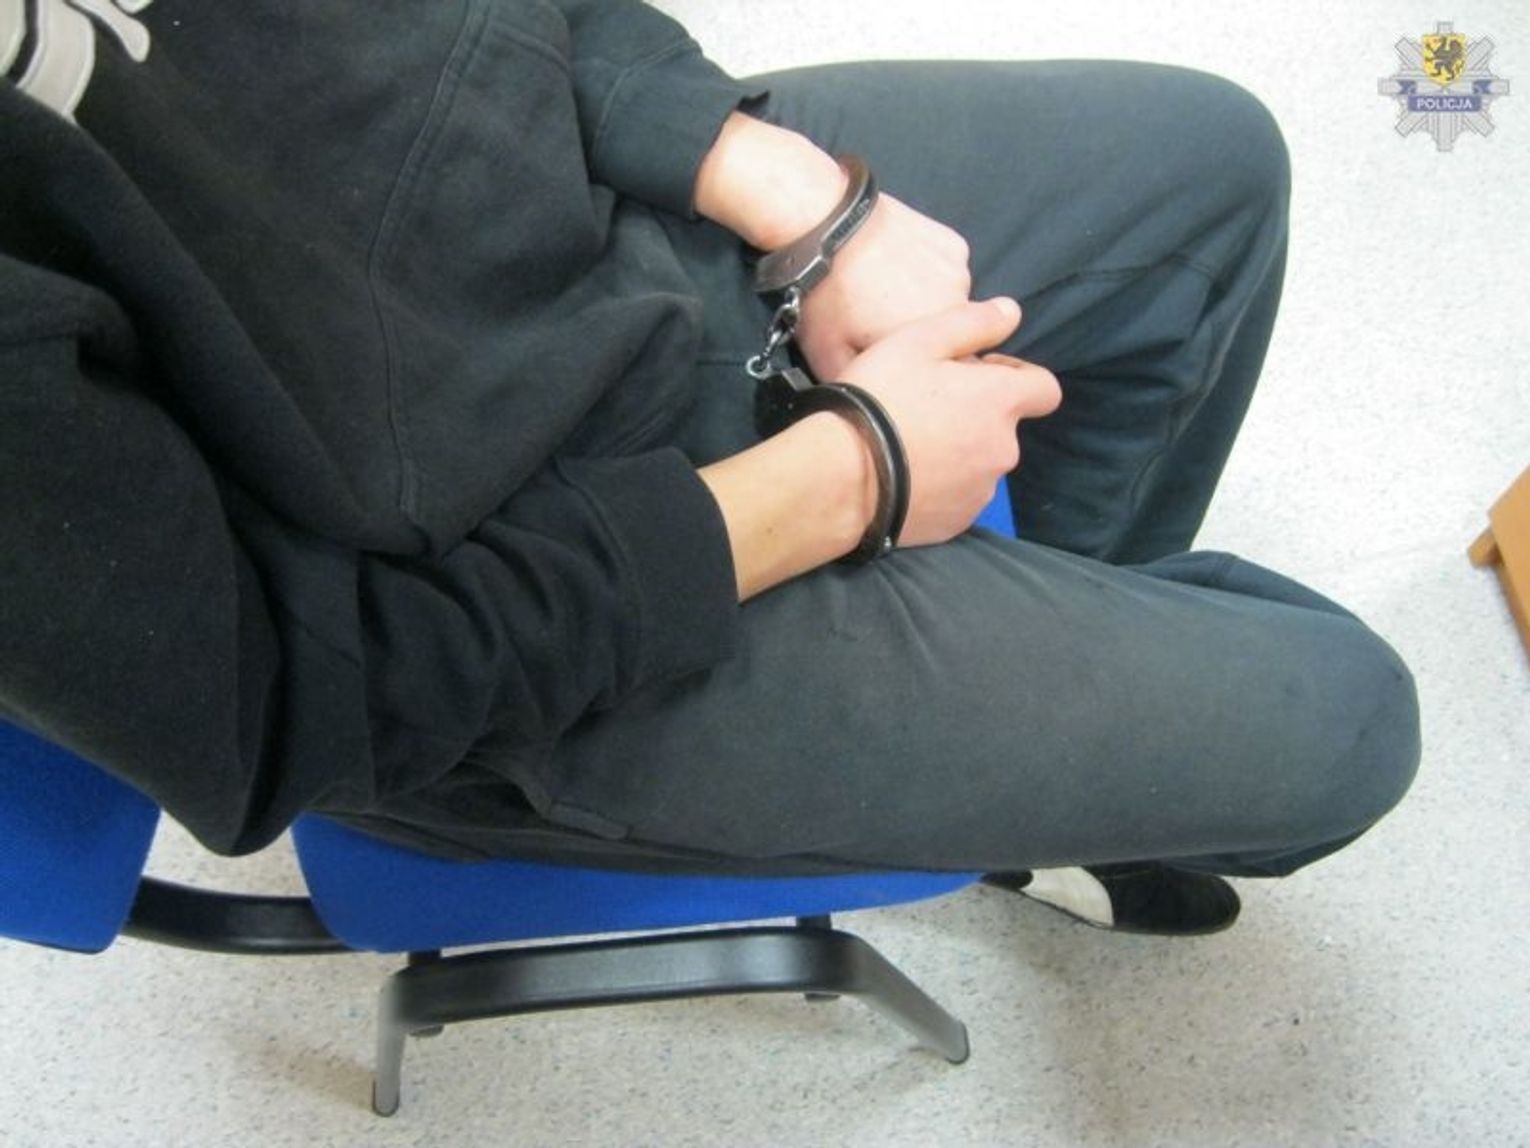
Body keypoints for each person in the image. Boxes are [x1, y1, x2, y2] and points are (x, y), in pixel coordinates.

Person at [0, 1, 1418, 935]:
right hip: (505, 615)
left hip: (596, 232)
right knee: (1355, 724)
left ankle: (1071, 736)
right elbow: (277, 699)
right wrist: (856, 472)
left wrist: (778, 186)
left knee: (1216, 168)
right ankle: (1068, 735)